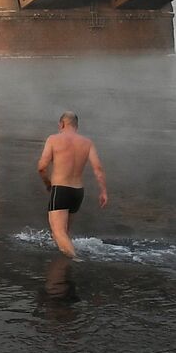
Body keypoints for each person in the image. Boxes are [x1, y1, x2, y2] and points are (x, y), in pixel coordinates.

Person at [36, 111, 109, 259]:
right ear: (76, 126)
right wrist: (103, 191)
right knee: (63, 233)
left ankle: (75, 260)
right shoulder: (87, 143)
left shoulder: (53, 139)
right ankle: (64, 264)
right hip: (77, 192)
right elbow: (98, 169)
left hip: (60, 189)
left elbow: (42, 167)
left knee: (58, 232)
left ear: (61, 124)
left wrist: (48, 183)